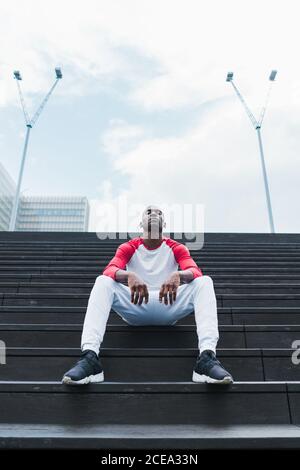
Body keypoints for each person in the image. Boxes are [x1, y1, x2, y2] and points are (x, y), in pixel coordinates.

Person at [62, 205, 233, 385]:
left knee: (204, 282)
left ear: (164, 223)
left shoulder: (176, 247)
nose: (154, 214)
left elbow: (194, 271)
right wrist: (128, 275)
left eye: (159, 213)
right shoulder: (128, 246)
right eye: (149, 212)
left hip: (168, 304)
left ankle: (206, 358)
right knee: (102, 282)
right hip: (136, 305)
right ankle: (90, 357)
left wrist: (178, 275)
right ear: (140, 223)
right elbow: (110, 270)